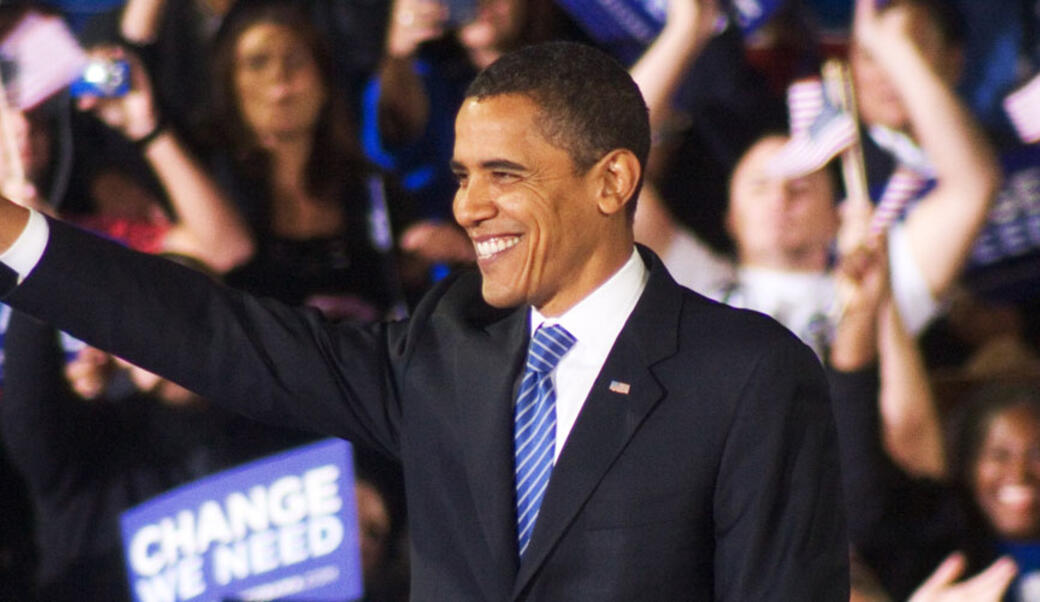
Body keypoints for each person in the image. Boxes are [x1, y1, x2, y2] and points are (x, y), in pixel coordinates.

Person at [0, 41, 848, 599]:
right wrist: (18, 231)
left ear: (613, 180)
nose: (470, 206)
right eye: (461, 174)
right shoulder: (450, 350)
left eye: (504, 174)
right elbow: (220, 337)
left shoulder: (745, 374)